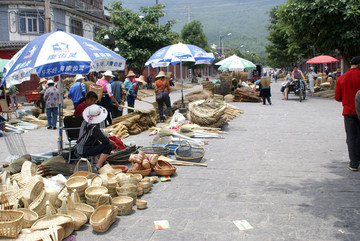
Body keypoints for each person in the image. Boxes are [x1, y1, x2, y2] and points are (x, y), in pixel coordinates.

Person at [335, 56, 360, 171]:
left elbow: (337, 97)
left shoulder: (342, 78)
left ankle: (354, 163)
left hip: (348, 111)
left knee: (351, 137)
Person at [76, 104, 116, 171]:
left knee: (100, 143)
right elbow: (105, 140)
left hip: (79, 147)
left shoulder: (85, 122)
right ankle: (98, 167)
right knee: (108, 146)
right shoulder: (94, 128)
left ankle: (102, 161)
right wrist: (112, 142)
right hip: (84, 150)